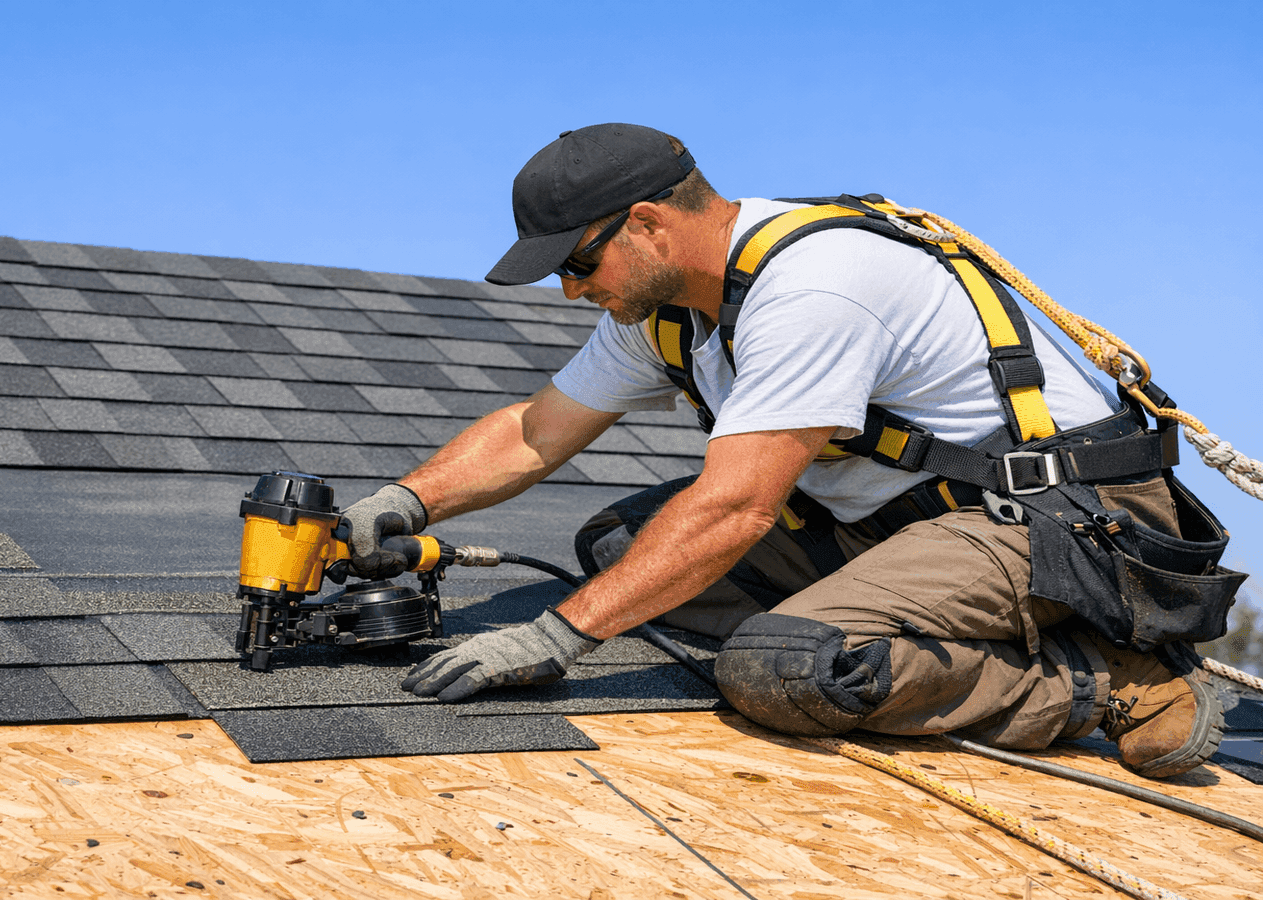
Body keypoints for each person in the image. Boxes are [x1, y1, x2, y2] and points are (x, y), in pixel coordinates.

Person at [341, 123, 1241, 778]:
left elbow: (737, 506)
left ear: (649, 224)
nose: (572, 290)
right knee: (622, 550)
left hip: (1057, 525)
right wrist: (400, 503)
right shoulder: (664, 309)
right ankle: (901, 623)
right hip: (908, 523)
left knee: (783, 669)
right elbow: (536, 433)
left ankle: (1105, 680)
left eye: (577, 264)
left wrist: (554, 637)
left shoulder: (812, 286)